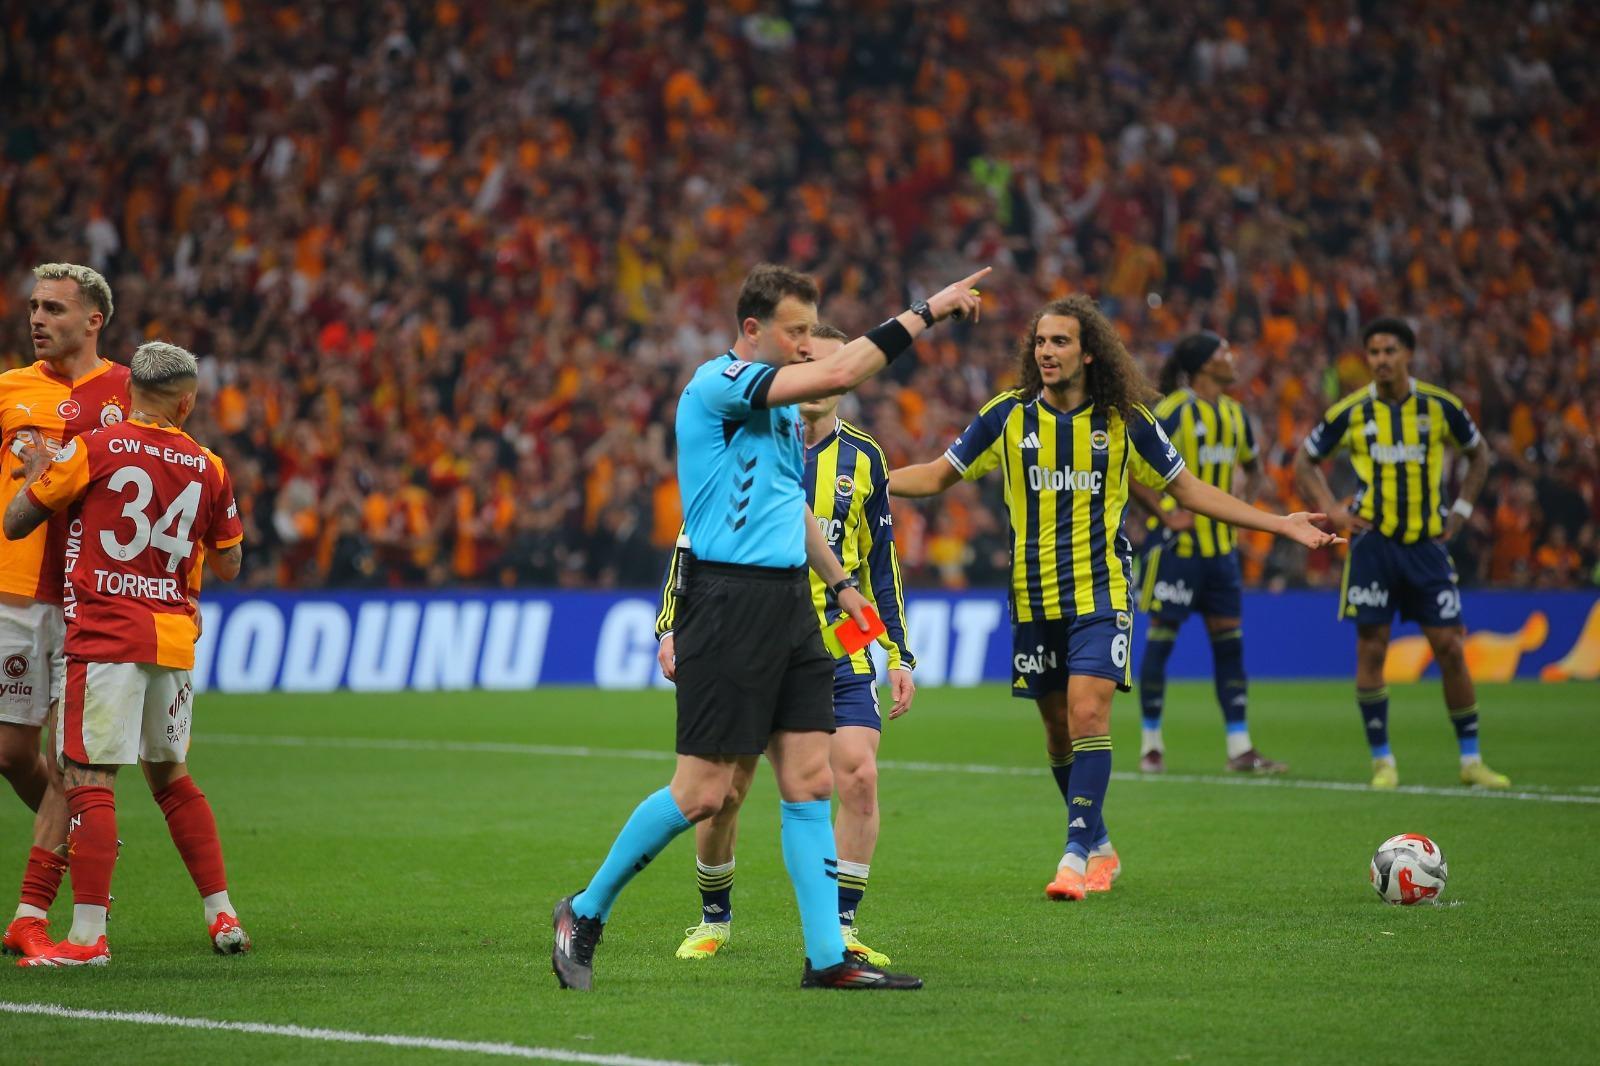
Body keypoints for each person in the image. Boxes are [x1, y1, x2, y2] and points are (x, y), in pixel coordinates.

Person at [551, 262, 986, 992]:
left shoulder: (783, 412)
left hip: (791, 606)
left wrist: (842, 586)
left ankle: (827, 958)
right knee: (704, 793)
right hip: (726, 604)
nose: (806, 344)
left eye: (811, 331)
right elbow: (840, 371)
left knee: (810, 783)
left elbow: (792, 506)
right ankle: (585, 910)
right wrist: (930, 310)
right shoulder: (718, 385)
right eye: (795, 331)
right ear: (752, 330)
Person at [889, 295, 1340, 901]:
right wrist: (871, 479)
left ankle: (1073, 857)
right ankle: (1098, 841)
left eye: (1060, 341)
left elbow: (1190, 490)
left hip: (1101, 591)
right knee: (1057, 732)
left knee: (1088, 715)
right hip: (1033, 597)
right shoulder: (1006, 417)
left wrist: (1279, 523)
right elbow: (937, 474)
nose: (1046, 352)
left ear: (1089, 353)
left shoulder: (1125, 421)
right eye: (1040, 342)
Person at [654, 323, 916, 968]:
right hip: (750, 639)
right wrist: (671, 623)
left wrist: (899, 652)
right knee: (724, 793)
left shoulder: (866, 458)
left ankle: (840, 926)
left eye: (831, 367)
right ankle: (714, 917)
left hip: (837, 645)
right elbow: (696, 534)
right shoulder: (752, 430)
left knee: (857, 775)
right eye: (807, 364)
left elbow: (880, 563)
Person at [4, 341, 249, 966]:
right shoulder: (210, 466)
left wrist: (42, 474)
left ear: (130, 391)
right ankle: (221, 913)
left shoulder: (96, 447)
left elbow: (17, 521)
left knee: (88, 779)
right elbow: (229, 562)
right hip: (172, 639)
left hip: (106, 634)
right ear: (187, 403)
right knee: (172, 777)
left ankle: (87, 937)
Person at [1293, 317, 1507, 790]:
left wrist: (1462, 510)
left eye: (1390, 351)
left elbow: (1480, 454)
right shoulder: (1351, 411)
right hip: (1374, 546)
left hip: (1427, 546)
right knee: (1372, 650)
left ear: (1408, 354)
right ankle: (1382, 761)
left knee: (1451, 647)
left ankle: (1471, 760)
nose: (1381, 360)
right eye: (1374, 352)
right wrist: (1332, 509)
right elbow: (1304, 460)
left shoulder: (1440, 407)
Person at [0, 263, 131, 960]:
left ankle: (37, 909)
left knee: (70, 757)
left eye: (54, 308)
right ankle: (91, 835)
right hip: (15, 589)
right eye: (34, 307)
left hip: (89, 595)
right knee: (11, 753)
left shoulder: (126, 393)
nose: (38, 319)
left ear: (93, 320)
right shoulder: (10, 389)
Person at [1129, 332, 1286, 774]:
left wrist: (1243, 511)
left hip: (1221, 553)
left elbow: (1254, 468)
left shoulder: (1236, 415)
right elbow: (1129, 462)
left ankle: (1240, 747)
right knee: (1161, 642)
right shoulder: (1173, 410)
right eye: (1223, 353)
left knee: (1229, 646)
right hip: (1177, 550)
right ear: (1202, 364)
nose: (1232, 358)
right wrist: (1164, 514)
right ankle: (1151, 745)